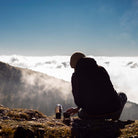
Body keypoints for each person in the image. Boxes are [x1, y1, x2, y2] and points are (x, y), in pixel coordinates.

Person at [66, 52, 127, 120]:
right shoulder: (101, 69)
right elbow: (110, 91)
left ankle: (97, 120)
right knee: (122, 95)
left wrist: (78, 108)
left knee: (81, 113)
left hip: (91, 115)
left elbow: (79, 101)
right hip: (112, 111)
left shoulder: (76, 76)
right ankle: (115, 117)